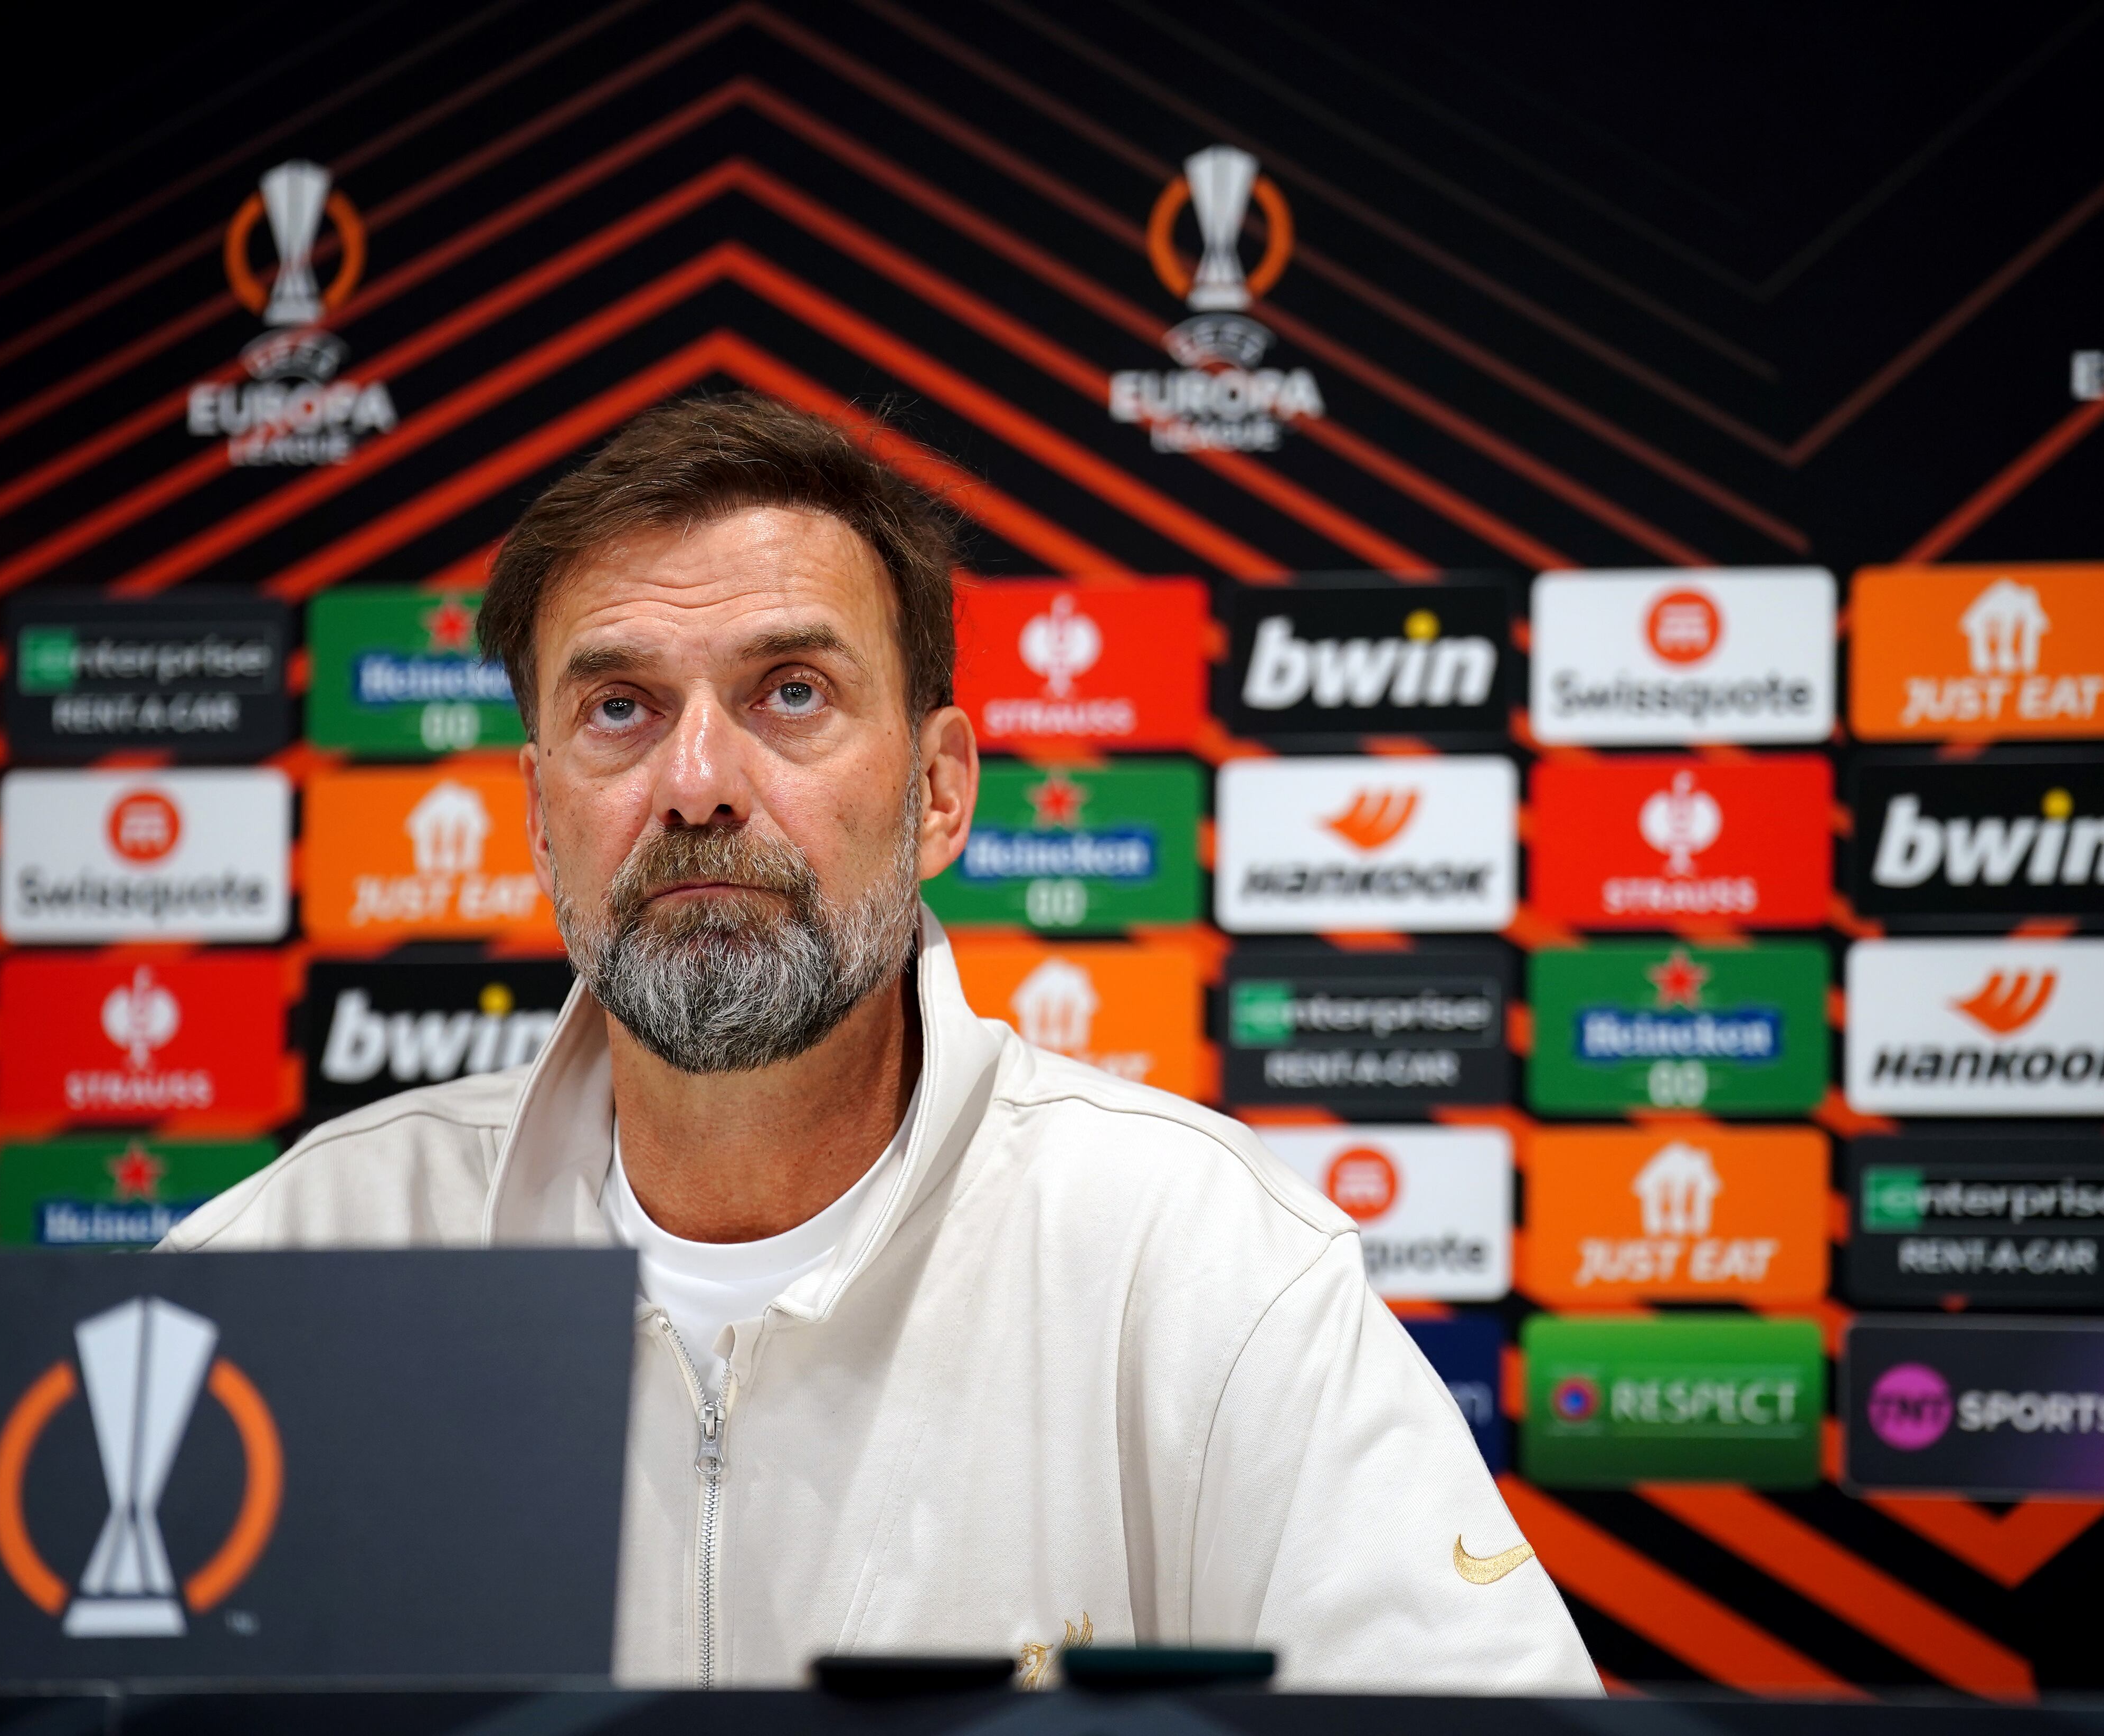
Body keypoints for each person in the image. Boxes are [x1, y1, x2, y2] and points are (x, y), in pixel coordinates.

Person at [164, 393, 1598, 1695]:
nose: (701, 783)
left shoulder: (1212, 1267)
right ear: (541, 812)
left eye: (792, 692)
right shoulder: (288, 1270)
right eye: (621, 708)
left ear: (938, 790)